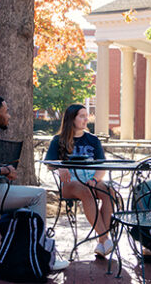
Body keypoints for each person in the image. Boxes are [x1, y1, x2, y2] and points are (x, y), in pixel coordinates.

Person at [0, 95, 69, 272]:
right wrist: (5, 171)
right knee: (39, 195)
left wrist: (3, 168)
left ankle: (23, 251)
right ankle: (42, 256)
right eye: (6, 112)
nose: (9, 116)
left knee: (30, 197)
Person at [44, 104, 115, 258]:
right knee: (85, 191)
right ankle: (104, 238)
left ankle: (102, 244)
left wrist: (95, 180)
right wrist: (59, 167)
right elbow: (49, 164)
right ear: (72, 119)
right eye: (82, 116)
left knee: (109, 191)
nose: (86, 119)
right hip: (70, 183)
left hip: (91, 180)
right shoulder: (58, 140)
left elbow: (102, 166)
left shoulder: (93, 140)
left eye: (86, 115)